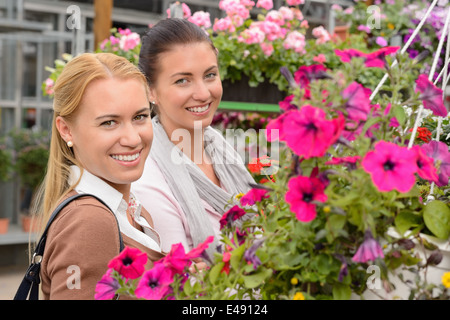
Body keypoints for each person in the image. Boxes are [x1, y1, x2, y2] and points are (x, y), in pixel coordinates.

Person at [32, 52, 164, 299]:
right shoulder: (90, 221)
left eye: (140, 117)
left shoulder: (131, 209)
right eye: (109, 123)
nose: (133, 139)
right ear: (66, 129)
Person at [132, 18, 255, 258]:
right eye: (182, 80)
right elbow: (182, 283)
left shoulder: (221, 148)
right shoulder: (148, 180)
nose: (203, 93)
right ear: (150, 91)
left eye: (210, 75)